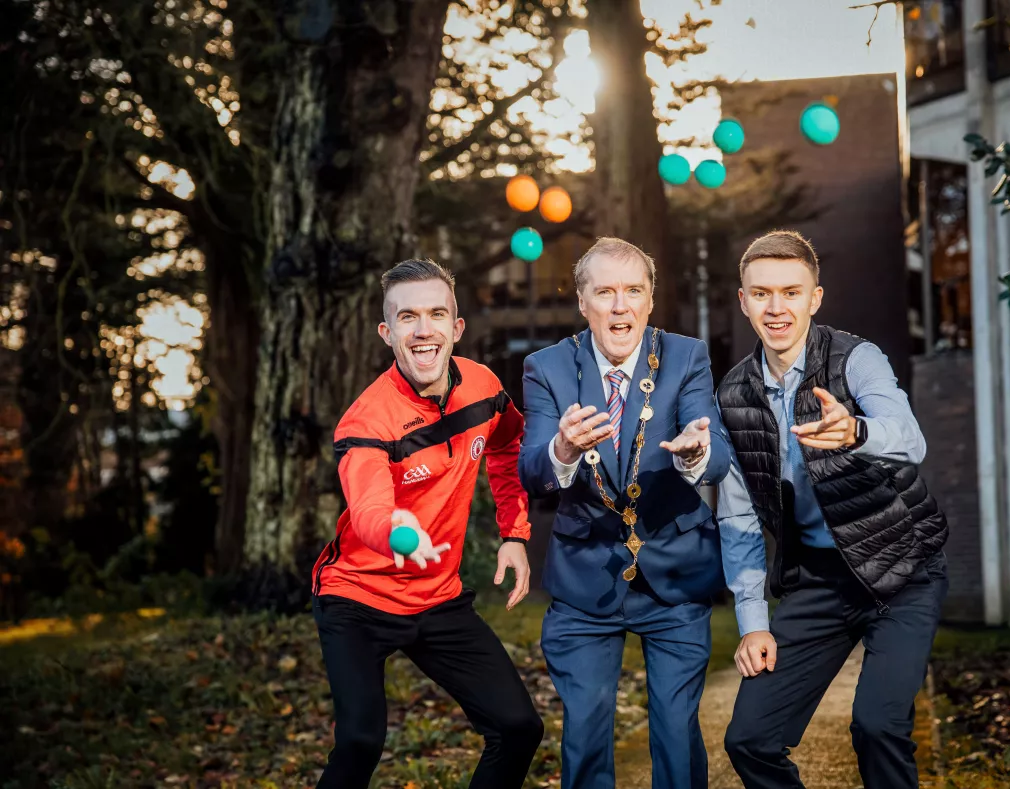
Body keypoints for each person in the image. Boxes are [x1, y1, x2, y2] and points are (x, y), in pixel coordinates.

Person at [715, 230, 950, 789]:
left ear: (814, 298)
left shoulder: (856, 359)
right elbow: (739, 516)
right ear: (743, 300)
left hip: (902, 570)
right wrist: (752, 624)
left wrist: (855, 431)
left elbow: (909, 439)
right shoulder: (733, 395)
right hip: (819, 581)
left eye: (791, 292)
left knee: (877, 726)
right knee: (749, 739)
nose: (777, 308)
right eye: (763, 294)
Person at [310, 258, 543, 789]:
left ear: (456, 328)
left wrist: (514, 534)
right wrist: (400, 533)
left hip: (437, 595)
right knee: (361, 742)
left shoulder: (483, 386)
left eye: (436, 313)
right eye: (407, 317)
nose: (423, 329)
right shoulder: (367, 420)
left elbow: (508, 448)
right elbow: (368, 506)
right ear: (387, 332)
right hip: (358, 598)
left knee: (518, 727)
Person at [518, 237, 731, 789]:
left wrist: (696, 451)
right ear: (583, 302)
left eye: (633, 291)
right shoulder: (546, 368)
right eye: (606, 292)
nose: (621, 306)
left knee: (676, 734)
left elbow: (718, 454)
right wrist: (563, 449)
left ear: (651, 299)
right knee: (585, 734)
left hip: (676, 572)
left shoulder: (687, 356)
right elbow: (533, 470)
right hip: (585, 579)